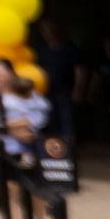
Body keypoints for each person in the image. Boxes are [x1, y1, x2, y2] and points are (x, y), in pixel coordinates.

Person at [0, 58, 52, 219]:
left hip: (27, 148)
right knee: (10, 190)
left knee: (34, 188)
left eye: (2, 73)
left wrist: (24, 128)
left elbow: (40, 115)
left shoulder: (26, 92)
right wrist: (13, 128)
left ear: (11, 73)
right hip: (2, 150)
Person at [38, 19, 82, 147]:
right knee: (51, 120)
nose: (47, 34)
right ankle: (57, 149)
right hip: (47, 90)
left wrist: (78, 89)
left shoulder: (68, 48)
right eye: (44, 31)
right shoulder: (43, 50)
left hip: (65, 89)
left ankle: (69, 149)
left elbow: (79, 70)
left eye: (49, 31)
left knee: (67, 119)